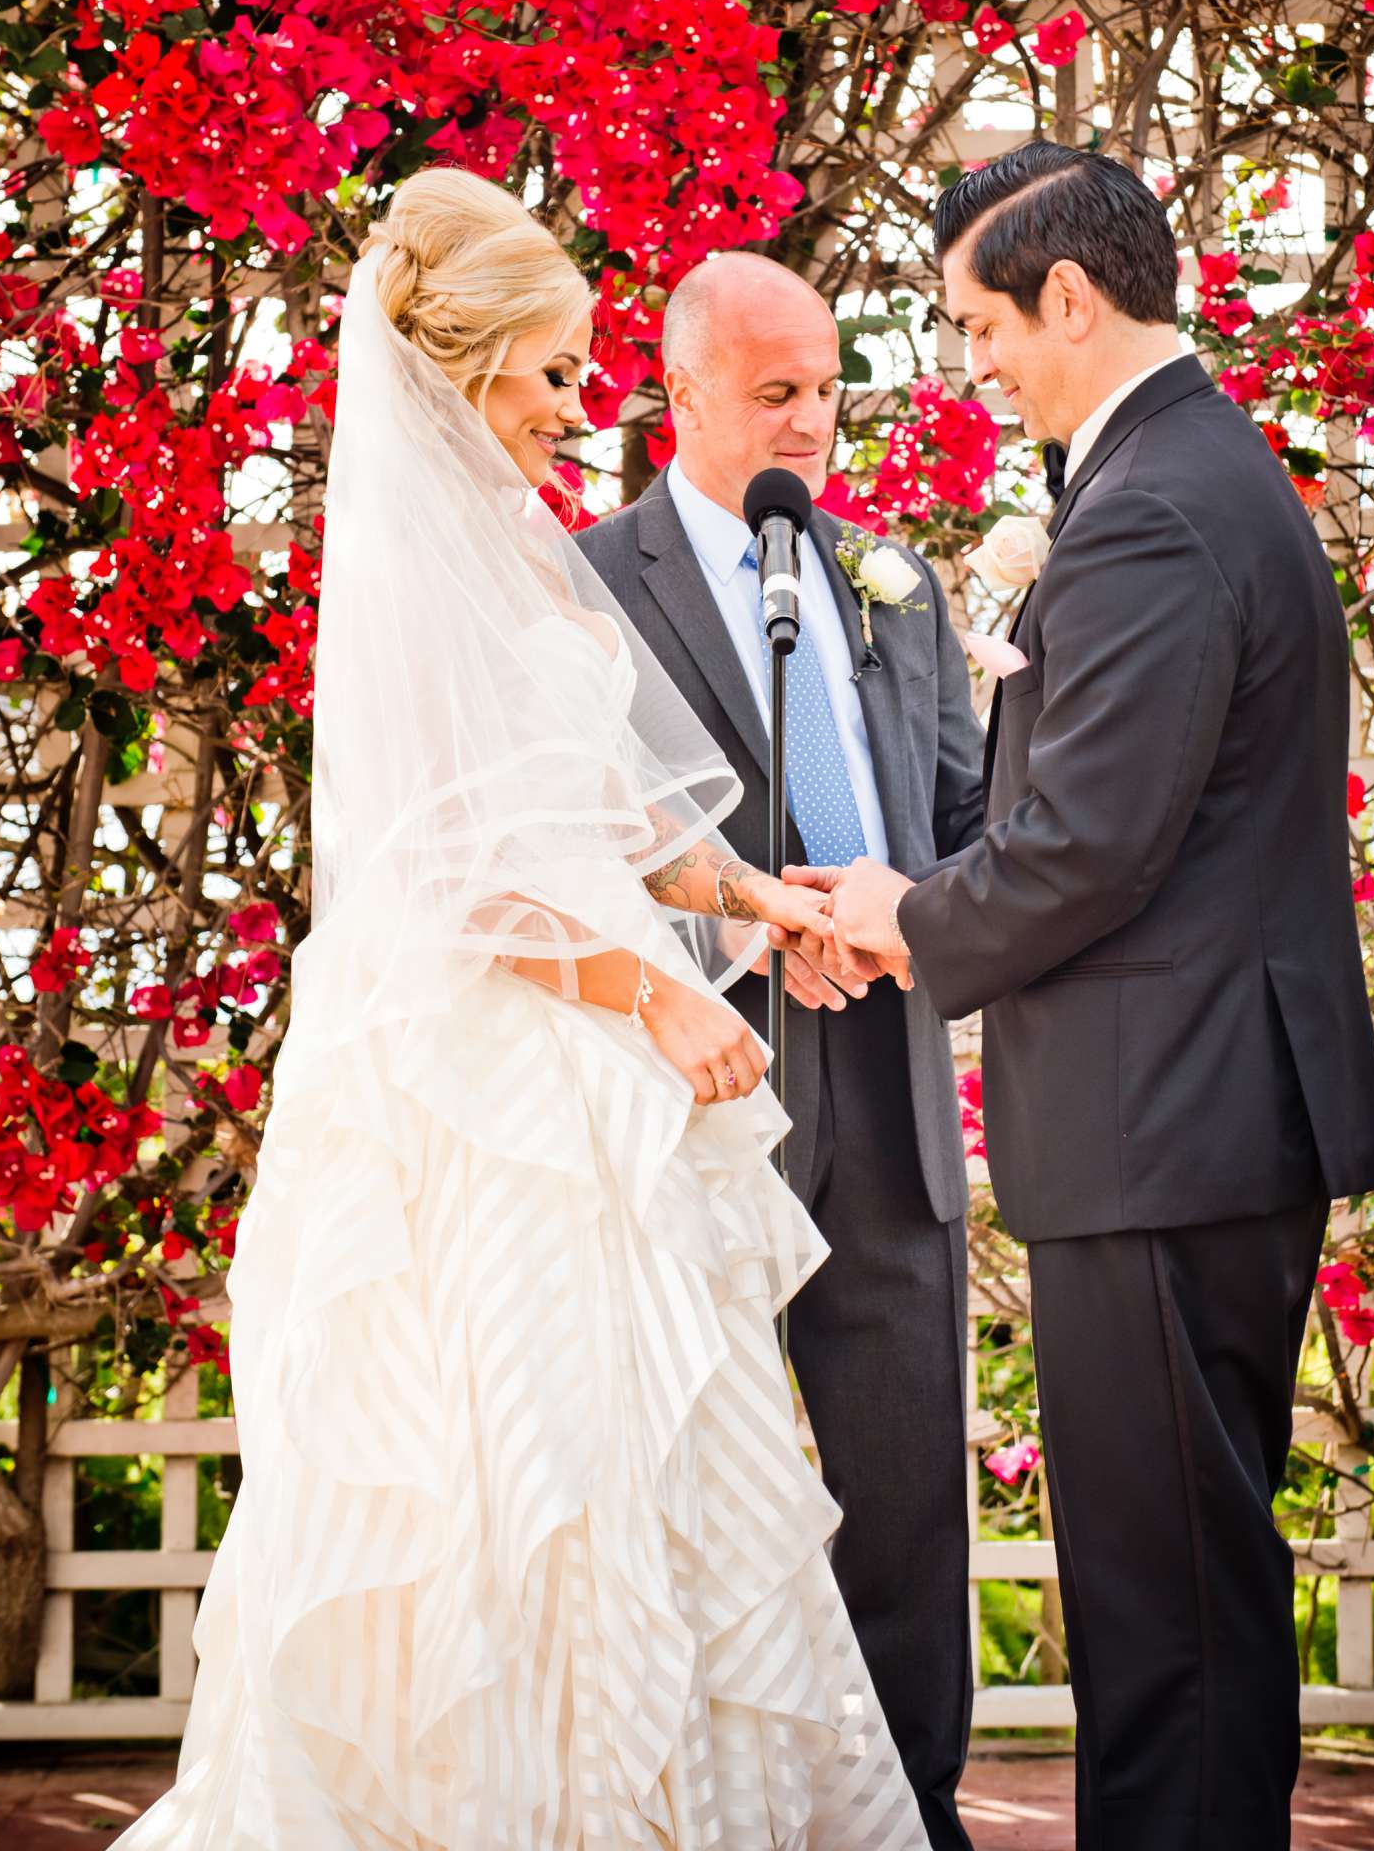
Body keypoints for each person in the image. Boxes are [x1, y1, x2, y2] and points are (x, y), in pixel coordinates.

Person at [114, 170, 930, 1851]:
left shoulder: (533, 571)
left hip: (589, 1082)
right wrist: (655, 994)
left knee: (647, 1483)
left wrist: (753, 899)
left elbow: (618, 818)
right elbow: (461, 883)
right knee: (507, 1494)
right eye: (553, 375)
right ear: (460, 375)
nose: (581, 408)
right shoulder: (412, 585)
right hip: (486, 1102)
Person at [818, 142, 1374, 1851]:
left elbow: (1084, 849)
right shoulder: (1191, 469)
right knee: (1182, 1579)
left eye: (976, 325)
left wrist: (903, 918)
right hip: (1202, 1109)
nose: (970, 363)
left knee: (1166, 1605)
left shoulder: (1149, 505)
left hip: (1167, 1120)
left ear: (1068, 297)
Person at [581, 252, 983, 1851]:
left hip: (886, 1094)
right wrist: (751, 934)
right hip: (691, 1090)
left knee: (903, 1502)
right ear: (680, 392)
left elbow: (956, 824)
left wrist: (904, 922)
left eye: (825, 386)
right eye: (774, 392)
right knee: (687, 1500)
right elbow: (569, 852)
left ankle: (918, 1818)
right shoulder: (586, 584)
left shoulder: (893, 578)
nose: (811, 419)